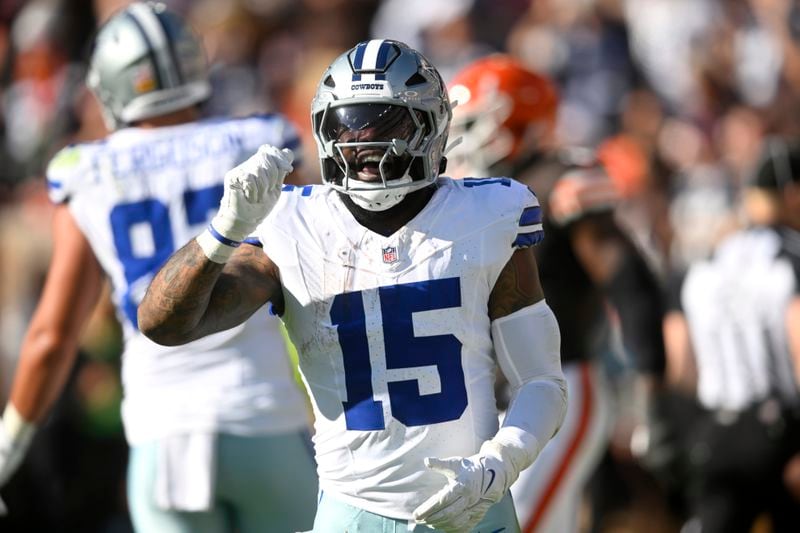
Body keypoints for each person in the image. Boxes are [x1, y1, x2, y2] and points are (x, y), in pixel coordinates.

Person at [137, 38, 568, 533]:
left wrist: (498, 466)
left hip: (474, 504)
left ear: (432, 127)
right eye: (349, 124)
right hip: (353, 511)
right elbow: (163, 325)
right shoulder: (291, 225)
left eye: (387, 123)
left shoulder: (489, 215)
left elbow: (541, 381)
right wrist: (222, 232)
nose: (365, 143)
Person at [0, 3, 317, 532]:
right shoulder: (258, 140)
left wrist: (9, 445)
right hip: (264, 418)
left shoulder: (88, 169)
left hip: (162, 428)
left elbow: (52, 337)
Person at [447, 55, 668, 532]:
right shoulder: (467, 199)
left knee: (509, 523)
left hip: (558, 386)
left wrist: (652, 388)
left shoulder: (559, 177)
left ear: (515, 120)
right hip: (494, 397)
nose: (460, 139)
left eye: (472, 123)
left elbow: (628, 278)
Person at [663, 136, 800, 533]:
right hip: (783, 432)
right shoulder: (791, 257)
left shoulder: (700, 262)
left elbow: (682, 368)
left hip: (715, 433)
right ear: (792, 194)